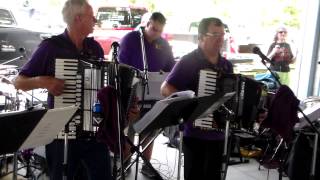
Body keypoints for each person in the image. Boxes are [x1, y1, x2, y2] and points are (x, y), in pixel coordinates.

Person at [13, 0, 112, 179]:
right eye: (92, 17)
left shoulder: (95, 48)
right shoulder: (51, 47)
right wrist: (44, 81)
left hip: (93, 129)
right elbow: (18, 82)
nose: (95, 20)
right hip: (62, 132)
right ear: (78, 18)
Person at [161, 17, 233, 180]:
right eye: (215, 34)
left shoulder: (226, 66)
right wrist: (191, 107)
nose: (220, 39)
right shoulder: (189, 61)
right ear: (201, 37)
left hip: (219, 135)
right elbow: (166, 88)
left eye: (222, 34)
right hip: (194, 135)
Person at [119, 12, 175, 178]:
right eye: (153, 28)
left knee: (150, 130)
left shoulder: (163, 44)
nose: (155, 33)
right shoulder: (131, 39)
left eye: (159, 31)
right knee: (128, 130)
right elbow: (121, 65)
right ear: (147, 24)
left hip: (154, 94)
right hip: (133, 92)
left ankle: (146, 164)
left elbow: (171, 67)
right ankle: (125, 162)